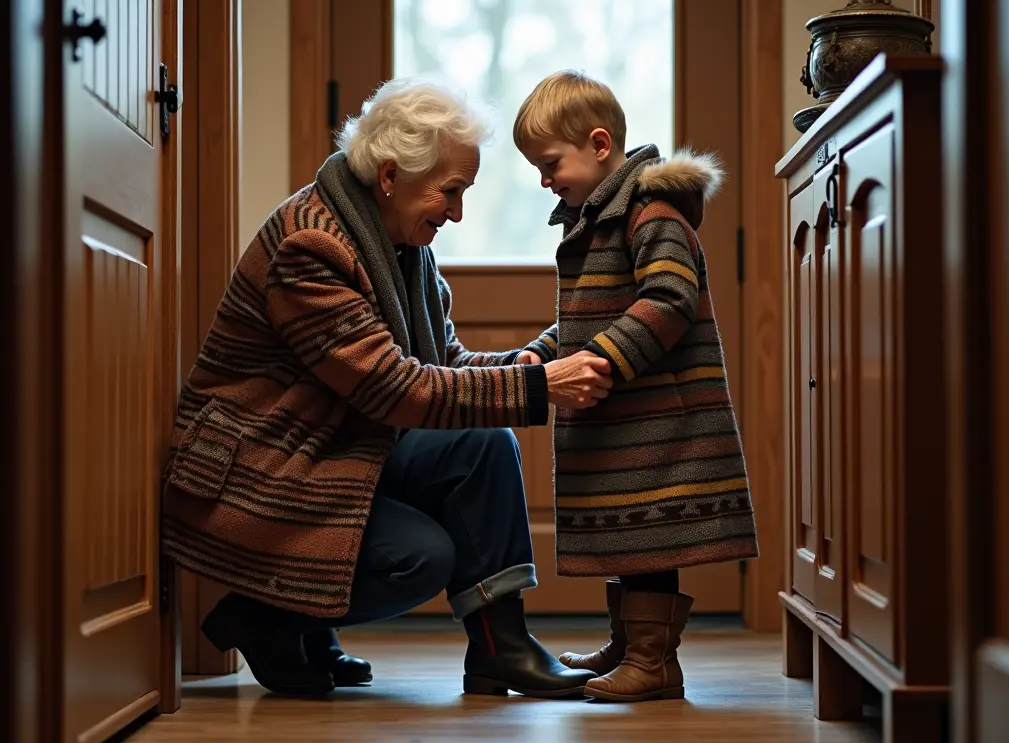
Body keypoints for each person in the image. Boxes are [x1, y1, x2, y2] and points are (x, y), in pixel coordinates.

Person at [161, 77, 614, 699]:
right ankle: (267, 618)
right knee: (420, 557)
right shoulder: (311, 245)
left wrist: (548, 350)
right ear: (391, 176)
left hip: (329, 445)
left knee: (483, 443)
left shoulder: (399, 243)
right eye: (451, 191)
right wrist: (540, 387)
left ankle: (498, 648)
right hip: (259, 469)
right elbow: (396, 392)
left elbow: (446, 366)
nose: (457, 212)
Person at [510, 71, 759, 702]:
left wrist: (600, 361)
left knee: (652, 531)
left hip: (660, 417)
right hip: (626, 414)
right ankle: (630, 644)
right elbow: (588, 315)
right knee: (629, 529)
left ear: (598, 145)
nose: (542, 180)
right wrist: (540, 360)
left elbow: (668, 300)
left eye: (548, 163)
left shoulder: (651, 211)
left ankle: (655, 661)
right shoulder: (598, 216)